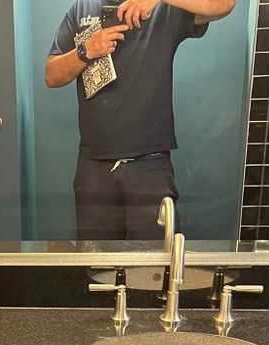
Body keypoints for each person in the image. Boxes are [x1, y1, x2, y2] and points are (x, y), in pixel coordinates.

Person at [47, 0, 235, 241]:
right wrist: (86, 50)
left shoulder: (164, 9)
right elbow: (52, 75)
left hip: (150, 165)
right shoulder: (81, 9)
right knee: (96, 266)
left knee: (150, 269)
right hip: (94, 165)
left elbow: (225, 4)